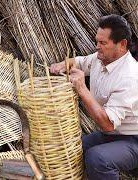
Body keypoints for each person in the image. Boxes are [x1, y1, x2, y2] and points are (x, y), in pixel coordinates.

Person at [50, 14, 138, 180]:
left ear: (122, 44)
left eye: (103, 43)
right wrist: (61, 65)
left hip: (134, 139)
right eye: (97, 41)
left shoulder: (130, 76)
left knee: (98, 158)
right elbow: (78, 62)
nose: (97, 46)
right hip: (113, 135)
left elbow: (107, 124)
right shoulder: (101, 58)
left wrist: (82, 88)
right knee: (73, 149)